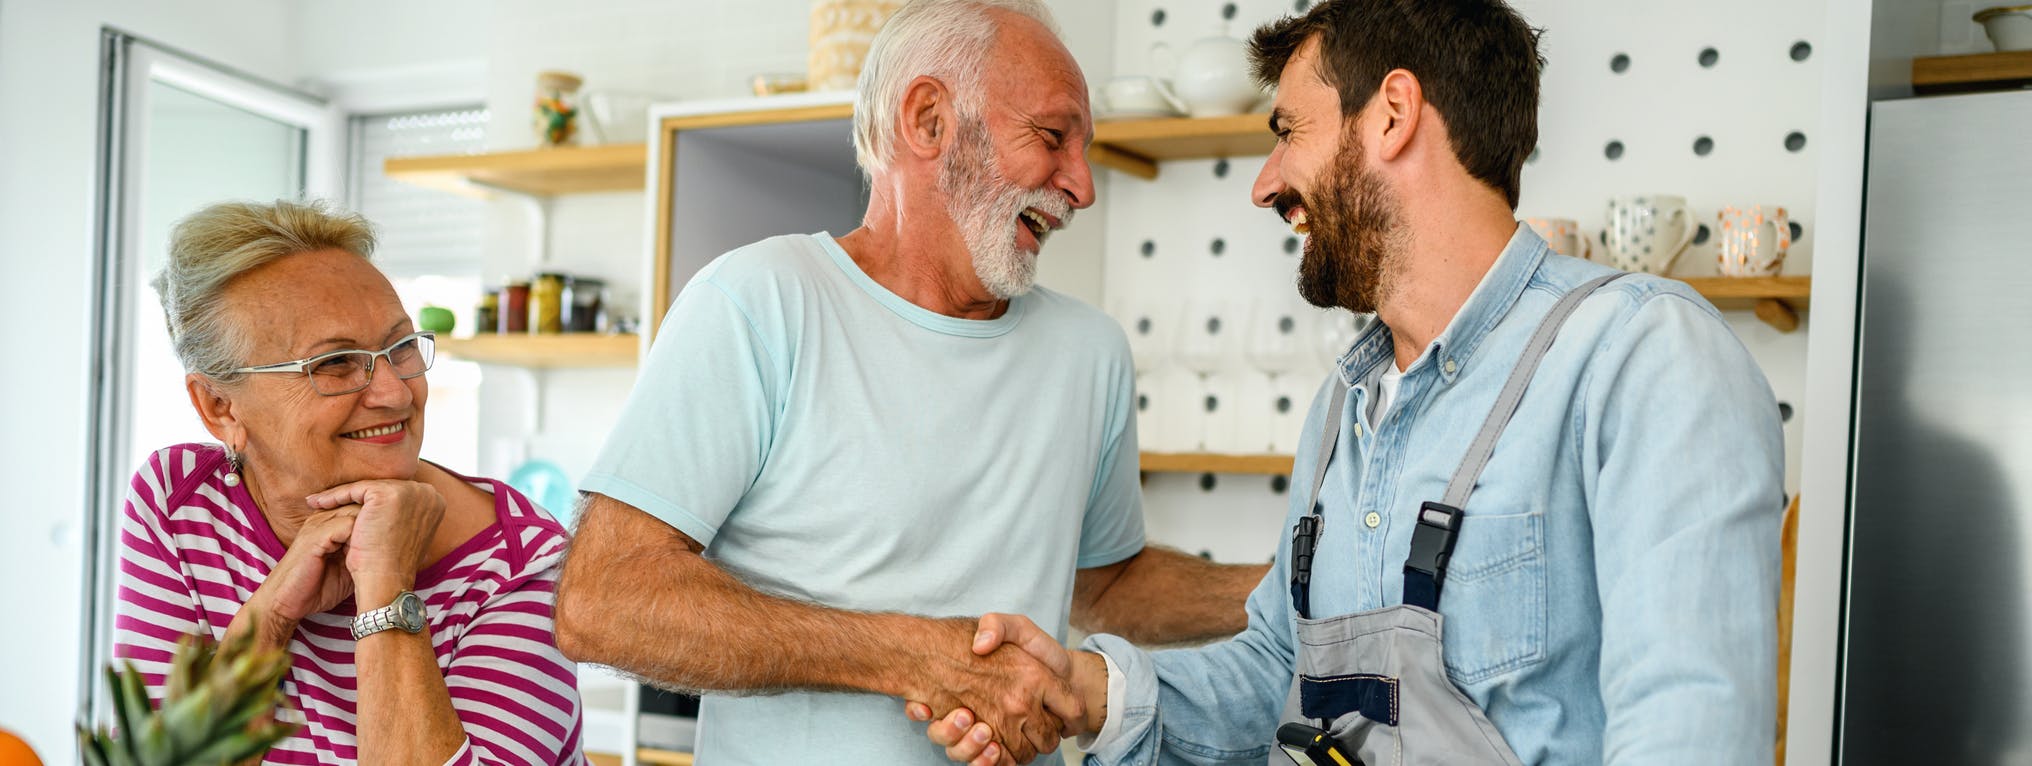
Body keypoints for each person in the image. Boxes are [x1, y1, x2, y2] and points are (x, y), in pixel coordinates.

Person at [920, 1, 1785, 763]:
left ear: (1393, 115)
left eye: (1289, 132)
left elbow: (1690, 728)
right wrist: (1089, 693)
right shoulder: (1349, 405)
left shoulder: (1641, 356)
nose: (1265, 186)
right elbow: (1280, 674)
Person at [551, 1, 1267, 764]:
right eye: (1053, 138)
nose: (1082, 187)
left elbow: (1107, 584)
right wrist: (915, 655)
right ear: (929, 120)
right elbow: (604, 602)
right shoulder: (761, 301)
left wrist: (1300, 588)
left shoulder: (1091, 353)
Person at [113, 200, 586, 765]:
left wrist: (385, 584)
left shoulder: (522, 562)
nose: (396, 392)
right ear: (220, 408)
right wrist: (271, 616)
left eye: (401, 347)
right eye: (336, 363)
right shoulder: (181, 502)